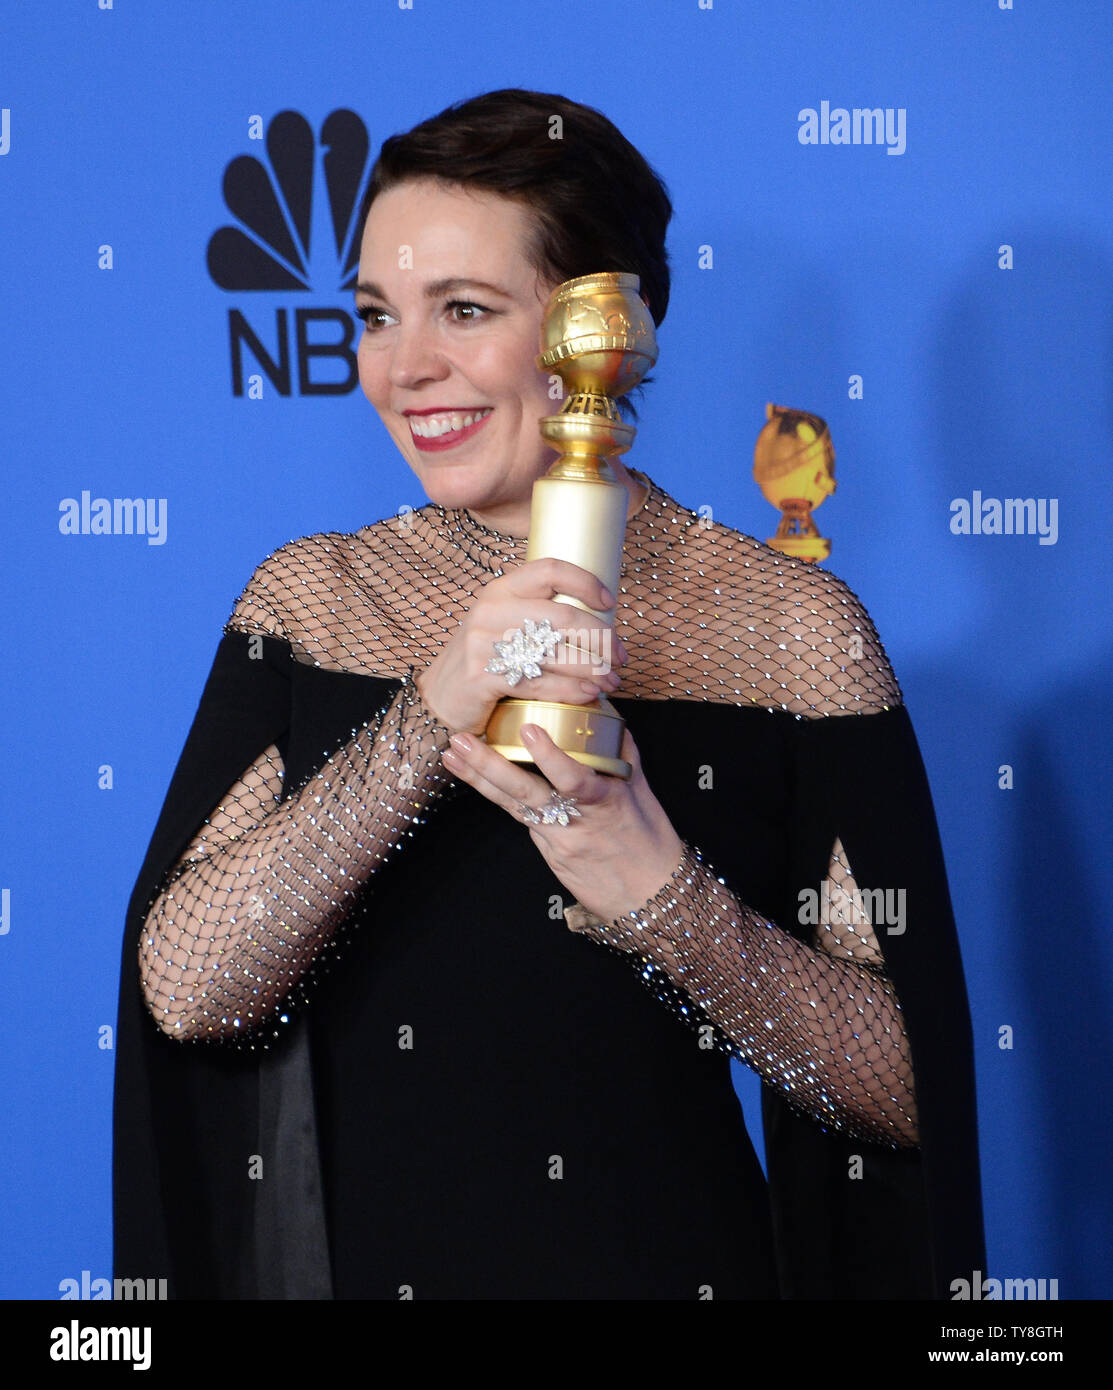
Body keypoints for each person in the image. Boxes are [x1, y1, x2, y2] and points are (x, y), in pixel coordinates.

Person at [113, 88, 985, 1299]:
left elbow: (903, 1089)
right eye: (376, 314)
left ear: (600, 324)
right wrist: (440, 703)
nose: (405, 367)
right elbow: (188, 989)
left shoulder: (789, 631)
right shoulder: (316, 601)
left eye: (464, 310)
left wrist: (662, 893)